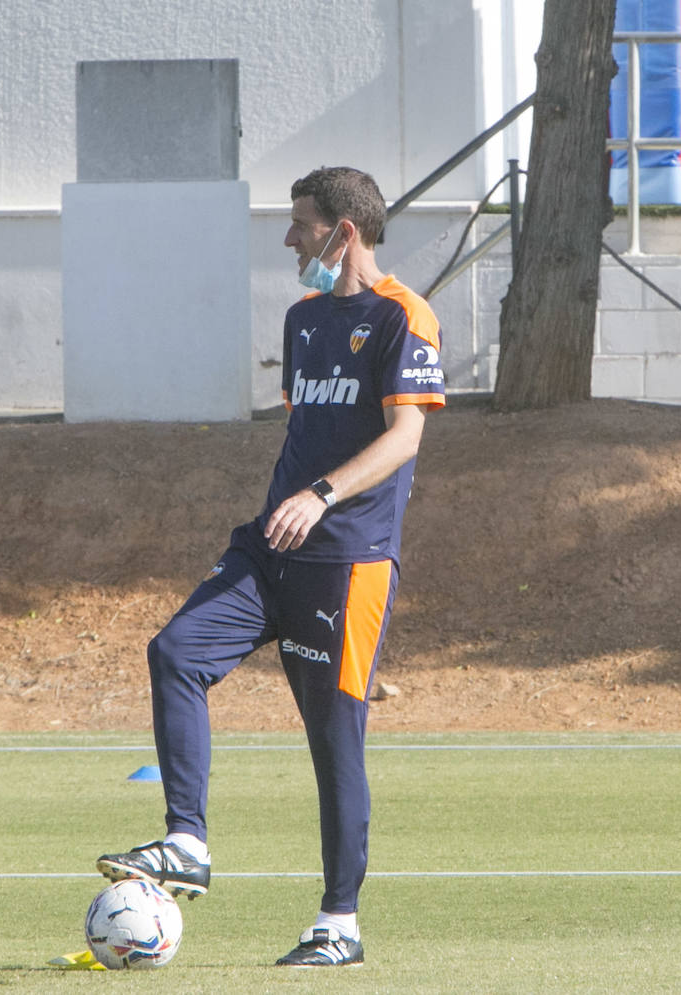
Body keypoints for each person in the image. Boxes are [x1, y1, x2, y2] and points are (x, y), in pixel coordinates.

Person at [95, 166, 445, 968]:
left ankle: (339, 924)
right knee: (175, 652)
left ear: (343, 231)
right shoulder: (302, 319)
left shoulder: (404, 315)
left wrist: (322, 497)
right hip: (270, 548)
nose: (289, 239)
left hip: (347, 560)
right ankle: (187, 839)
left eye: (300, 224)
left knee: (334, 741)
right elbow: (309, 431)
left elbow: (402, 439)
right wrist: (292, 503)